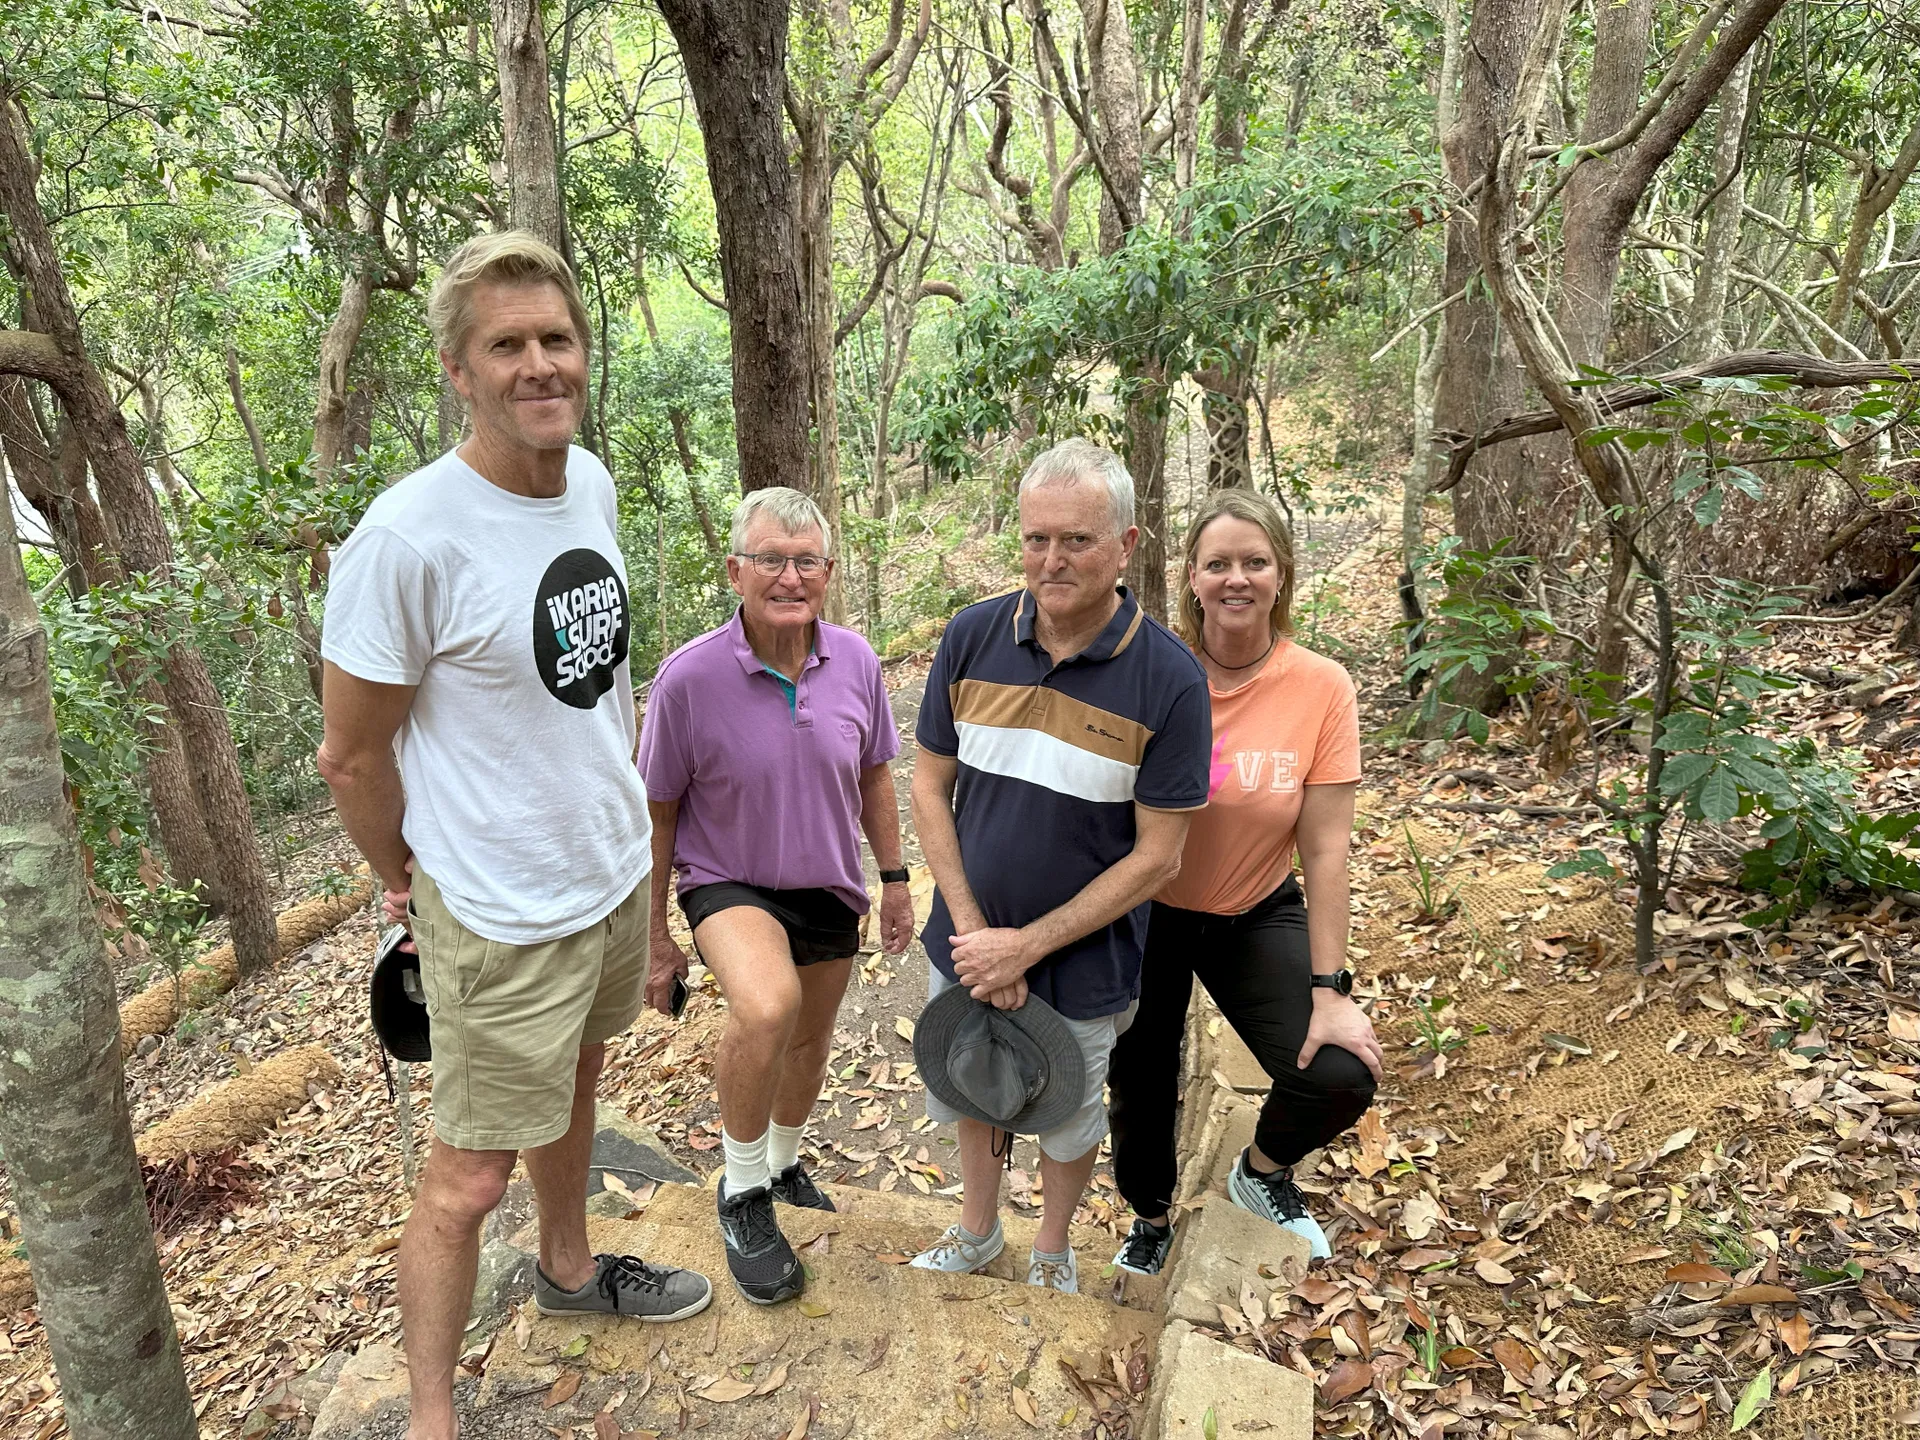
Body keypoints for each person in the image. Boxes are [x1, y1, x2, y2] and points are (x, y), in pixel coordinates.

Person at [317, 232, 711, 1440]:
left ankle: (572, 1270)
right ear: (457, 369)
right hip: (493, 910)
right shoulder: (408, 538)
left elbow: (591, 687)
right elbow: (350, 751)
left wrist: (639, 866)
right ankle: (432, 1416)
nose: (540, 364)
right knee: (466, 1175)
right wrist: (402, 882)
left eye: (556, 339)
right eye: (507, 345)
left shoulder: (584, 481)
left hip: (601, 877)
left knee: (581, 1089)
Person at [907, 439, 1211, 1293]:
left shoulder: (1170, 681)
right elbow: (929, 787)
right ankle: (975, 1230)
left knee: (1070, 1114)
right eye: (1037, 538)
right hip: (966, 940)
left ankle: (1051, 1248)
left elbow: (1160, 857)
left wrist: (1028, 947)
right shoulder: (971, 637)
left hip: (1086, 957)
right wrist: (976, 936)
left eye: (1077, 540)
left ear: (1127, 545)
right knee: (969, 1081)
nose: (1052, 560)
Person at [639, 487, 914, 1305]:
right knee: (767, 1008)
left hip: (829, 881)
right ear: (735, 570)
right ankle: (742, 1189)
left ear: (828, 572)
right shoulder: (688, 680)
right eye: (769, 560)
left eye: (806, 561)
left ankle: (785, 1163)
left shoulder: (856, 662)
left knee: (808, 1038)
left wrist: (895, 881)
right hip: (728, 879)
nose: (789, 577)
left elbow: (875, 777)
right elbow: (657, 810)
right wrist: (654, 931)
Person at [1105, 487, 1382, 1275]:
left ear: (1281, 575)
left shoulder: (1321, 687)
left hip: (1252, 910)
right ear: (1191, 576)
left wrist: (1332, 989)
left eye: (1255, 563)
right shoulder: (1151, 671)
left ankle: (1261, 1174)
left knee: (1339, 1070)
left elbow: (1326, 849)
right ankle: (1150, 1219)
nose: (1237, 579)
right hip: (1144, 910)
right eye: (1218, 563)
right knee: (1140, 1080)